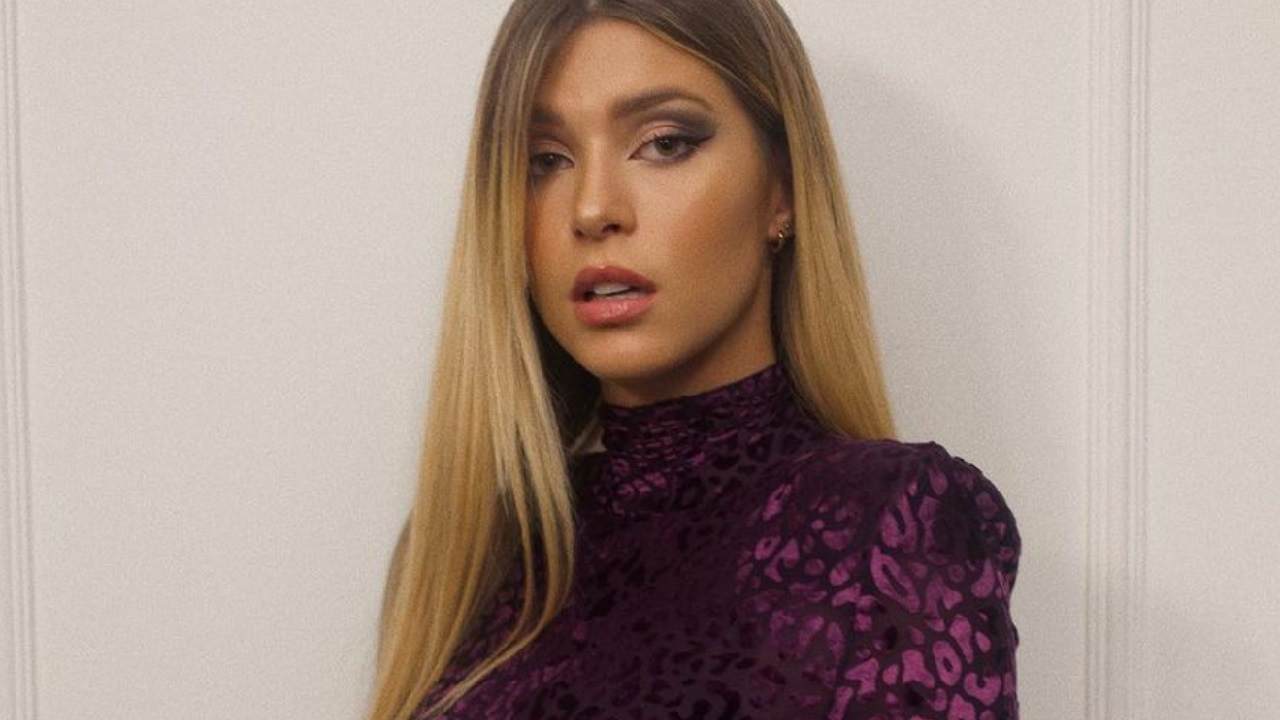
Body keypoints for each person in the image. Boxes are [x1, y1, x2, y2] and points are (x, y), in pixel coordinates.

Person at [366, 1, 1022, 718]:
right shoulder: (478, 558)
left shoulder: (892, 521)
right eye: (545, 160)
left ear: (782, 188)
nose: (592, 208)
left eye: (665, 143)